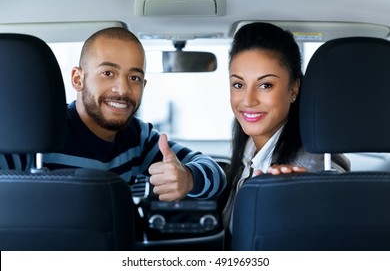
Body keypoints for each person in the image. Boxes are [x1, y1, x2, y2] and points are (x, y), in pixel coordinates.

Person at [41, 27, 226, 202]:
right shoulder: (38, 134)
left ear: (143, 86)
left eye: (134, 78)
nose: (123, 90)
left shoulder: (137, 137)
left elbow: (216, 174)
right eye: (108, 73)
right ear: (77, 79)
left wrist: (188, 178)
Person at [222, 22, 350, 248]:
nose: (248, 100)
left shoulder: (310, 170)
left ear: (293, 90)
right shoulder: (249, 148)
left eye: (265, 85)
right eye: (238, 84)